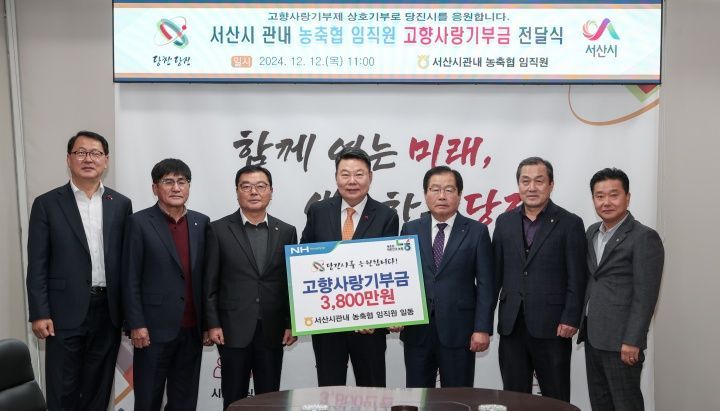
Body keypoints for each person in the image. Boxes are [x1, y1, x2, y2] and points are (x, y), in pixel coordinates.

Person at [26, 131, 133, 410]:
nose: (88, 159)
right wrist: (39, 312)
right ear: (69, 159)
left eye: (95, 153)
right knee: (63, 388)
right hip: (64, 311)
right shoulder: (47, 203)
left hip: (108, 311)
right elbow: (37, 263)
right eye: (81, 152)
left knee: (98, 388)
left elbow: (127, 263)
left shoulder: (121, 204)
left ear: (106, 160)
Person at [300, 147, 399, 387]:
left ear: (370, 177)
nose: (352, 181)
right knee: (329, 390)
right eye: (345, 174)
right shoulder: (318, 211)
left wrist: (377, 316)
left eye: (359, 174)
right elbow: (303, 261)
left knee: (373, 392)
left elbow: (390, 270)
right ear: (336, 177)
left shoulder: (387, 216)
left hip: (369, 327)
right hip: (327, 324)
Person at [204, 165, 298, 409]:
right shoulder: (218, 229)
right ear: (237, 191)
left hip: (272, 328)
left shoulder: (286, 231)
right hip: (232, 328)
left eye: (260, 186)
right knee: (234, 398)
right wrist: (212, 323)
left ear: (271, 191)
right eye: (246, 186)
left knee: (270, 398)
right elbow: (210, 281)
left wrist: (291, 322)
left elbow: (290, 283)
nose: (254, 192)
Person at [493, 156, 586, 402]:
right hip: (512, 325)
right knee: (513, 397)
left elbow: (577, 276)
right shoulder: (504, 222)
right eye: (525, 181)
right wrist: (481, 323)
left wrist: (570, 317)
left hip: (553, 327)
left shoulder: (570, 223)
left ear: (551, 185)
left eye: (539, 181)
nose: (532, 187)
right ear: (518, 185)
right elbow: (494, 276)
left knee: (555, 398)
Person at [122, 158, 210, 411]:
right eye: (168, 182)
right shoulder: (139, 222)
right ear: (155, 187)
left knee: (185, 401)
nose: (176, 188)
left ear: (189, 186)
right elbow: (129, 277)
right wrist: (136, 324)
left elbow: (206, 277)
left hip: (191, 329)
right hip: (152, 330)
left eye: (182, 182)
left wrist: (207, 323)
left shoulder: (201, 223)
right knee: (148, 400)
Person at [399, 166, 494, 387]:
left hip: (459, 331)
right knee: (417, 396)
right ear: (425, 194)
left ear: (459, 194)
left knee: (457, 398)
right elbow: (401, 277)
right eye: (435, 189)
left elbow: (486, 284)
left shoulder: (477, 231)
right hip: (417, 332)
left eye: (449, 190)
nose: (442, 196)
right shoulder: (410, 229)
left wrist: (482, 328)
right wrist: (397, 315)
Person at [578, 168, 664, 411]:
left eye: (613, 195)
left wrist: (632, 340)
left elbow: (645, 296)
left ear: (627, 197)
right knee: (600, 404)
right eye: (599, 196)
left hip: (622, 342)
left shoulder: (644, 237)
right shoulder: (592, 232)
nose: (606, 202)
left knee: (626, 405)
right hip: (594, 336)